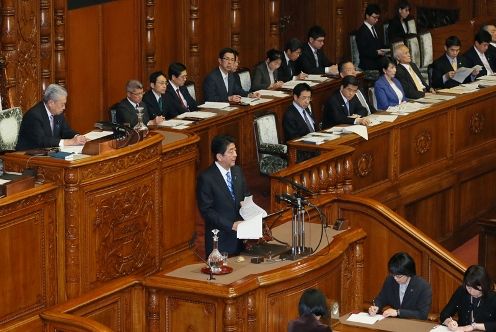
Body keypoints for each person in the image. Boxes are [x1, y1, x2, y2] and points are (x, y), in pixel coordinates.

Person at [196, 135, 250, 256]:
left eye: (235, 150)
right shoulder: (206, 178)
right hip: (220, 240)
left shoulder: (237, 171)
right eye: (231, 151)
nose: (235, 154)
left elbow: (246, 196)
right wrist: (231, 225)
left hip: (240, 238)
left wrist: (250, 209)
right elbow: (207, 210)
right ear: (219, 157)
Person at [16, 84, 87, 150]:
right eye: (62, 104)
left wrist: (77, 137)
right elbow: (42, 141)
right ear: (51, 103)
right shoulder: (34, 116)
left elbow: (65, 131)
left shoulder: (57, 112)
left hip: (49, 152)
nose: (64, 107)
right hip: (28, 155)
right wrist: (69, 142)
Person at [368, 252, 432, 320]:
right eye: (393, 275)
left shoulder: (423, 286)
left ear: (408, 273)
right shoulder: (390, 280)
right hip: (394, 323)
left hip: (413, 324)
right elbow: (381, 298)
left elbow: (422, 314)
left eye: (398, 276)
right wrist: (376, 307)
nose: (395, 278)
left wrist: (398, 312)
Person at [440, 265, 496, 331]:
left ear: (484, 285)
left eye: (476, 288)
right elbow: (444, 314)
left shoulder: (493, 297)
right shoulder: (462, 291)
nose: (471, 292)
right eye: (468, 287)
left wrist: (474, 326)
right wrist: (449, 322)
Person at [356, 4, 387, 71]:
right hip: (368, 66)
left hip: (378, 63)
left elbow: (380, 44)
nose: (376, 20)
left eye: (378, 18)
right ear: (367, 16)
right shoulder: (361, 31)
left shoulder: (376, 28)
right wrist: (377, 52)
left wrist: (387, 49)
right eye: (374, 17)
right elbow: (363, 51)